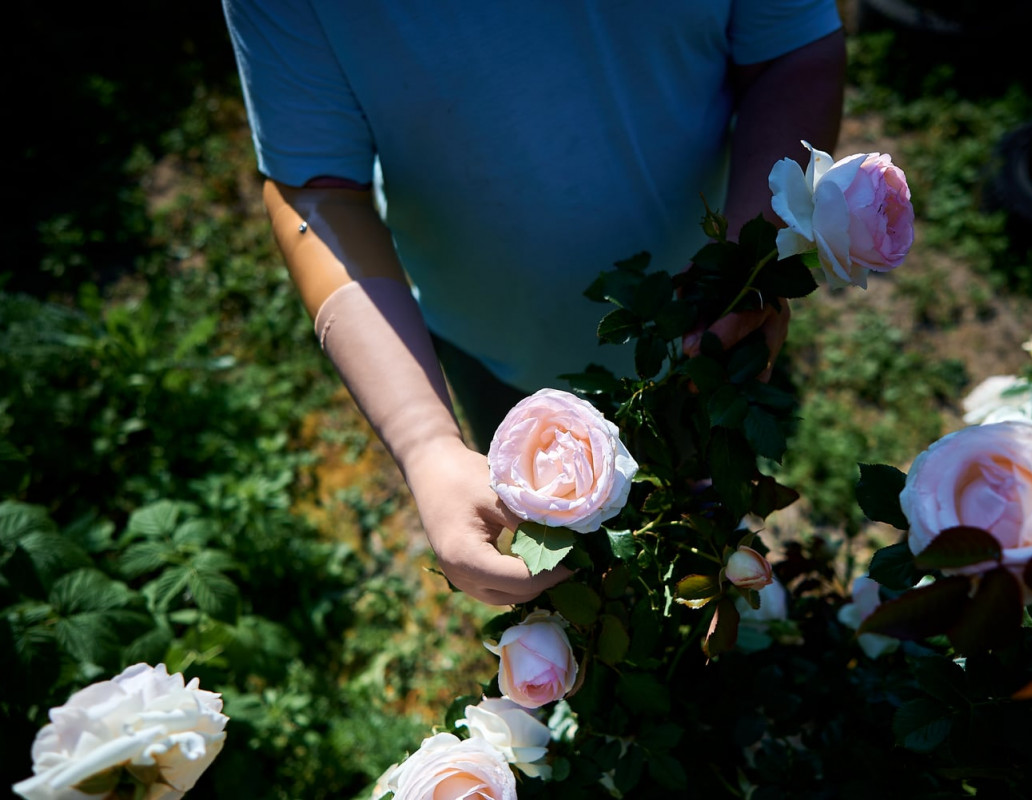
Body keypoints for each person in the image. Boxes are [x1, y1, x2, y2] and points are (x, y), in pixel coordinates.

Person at [220, 0, 847, 606]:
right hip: (488, 339)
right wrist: (425, 441)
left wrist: (744, 265)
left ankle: (713, 582)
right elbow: (316, 185)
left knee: (702, 514)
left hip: (705, 327)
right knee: (566, 569)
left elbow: (789, 46)